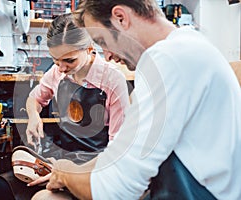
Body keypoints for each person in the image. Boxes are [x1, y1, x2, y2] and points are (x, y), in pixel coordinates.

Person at [33, 0, 241, 199]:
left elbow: (113, 192)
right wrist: (72, 170)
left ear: (121, 18)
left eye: (103, 41)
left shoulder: (169, 59)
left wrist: (66, 174)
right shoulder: (185, 46)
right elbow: (119, 153)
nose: (106, 56)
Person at [25, 13, 130, 185]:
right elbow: (34, 99)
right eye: (55, 60)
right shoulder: (57, 72)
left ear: (89, 49)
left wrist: (70, 176)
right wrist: (33, 116)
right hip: (64, 159)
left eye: (69, 60)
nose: (61, 67)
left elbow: (118, 148)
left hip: (100, 165)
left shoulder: (112, 80)